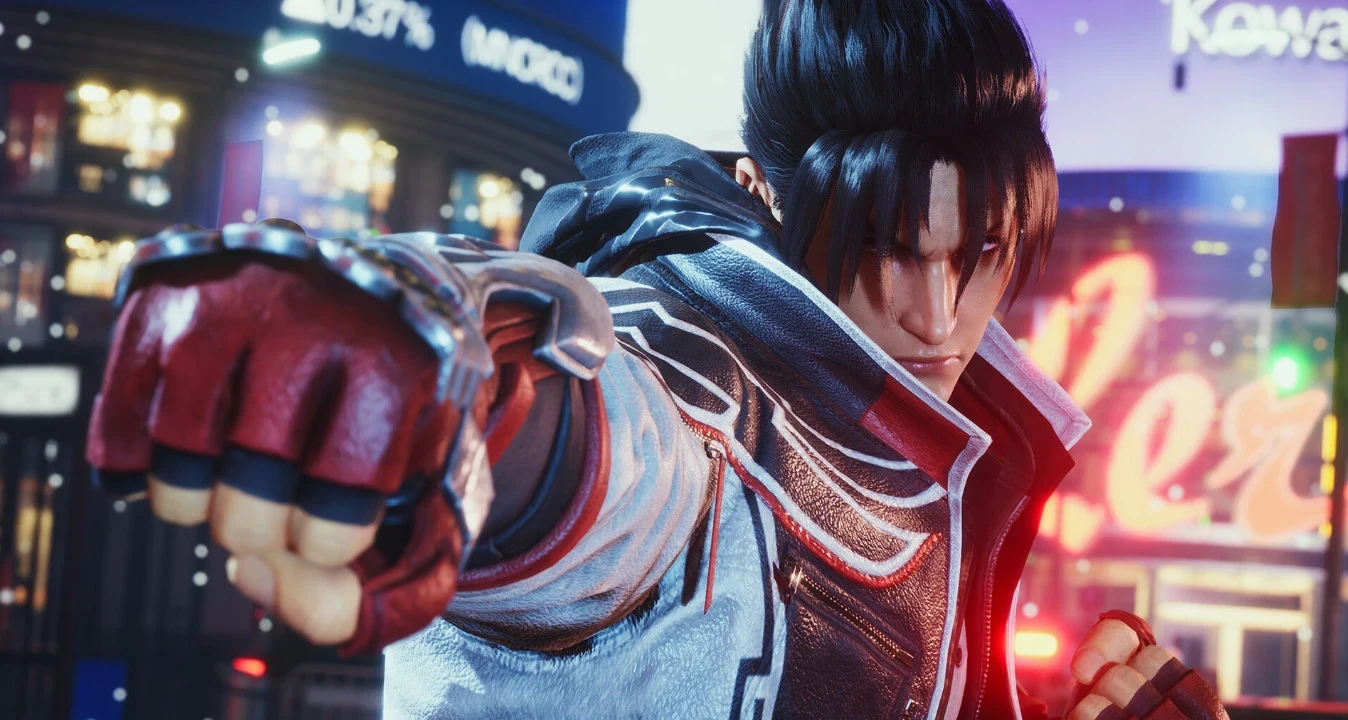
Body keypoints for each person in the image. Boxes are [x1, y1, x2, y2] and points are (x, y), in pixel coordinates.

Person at [84, 1, 1230, 718]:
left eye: (978, 254)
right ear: (763, 192)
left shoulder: (946, 453)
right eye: (884, 247)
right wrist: (456, 377)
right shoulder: (699, 375)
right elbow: (617, 455)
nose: (936, 313)